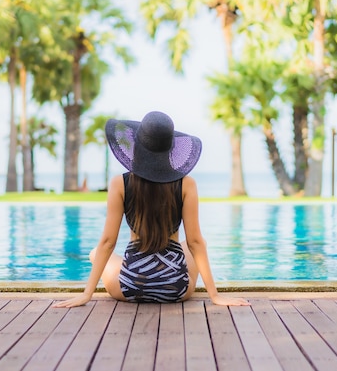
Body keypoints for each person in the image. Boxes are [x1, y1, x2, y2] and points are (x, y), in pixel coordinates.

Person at [54, 111, 249, 307]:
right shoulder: (186, 184)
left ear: (136, 146)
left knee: (96, 252)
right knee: (201, 243)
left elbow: (107, 242)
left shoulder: (120, 184)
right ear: (171, 149)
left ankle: (136, 269)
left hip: (130, 288)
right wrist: (215, 296)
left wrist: (86, 295)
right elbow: (195, 242)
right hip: (175, 289)